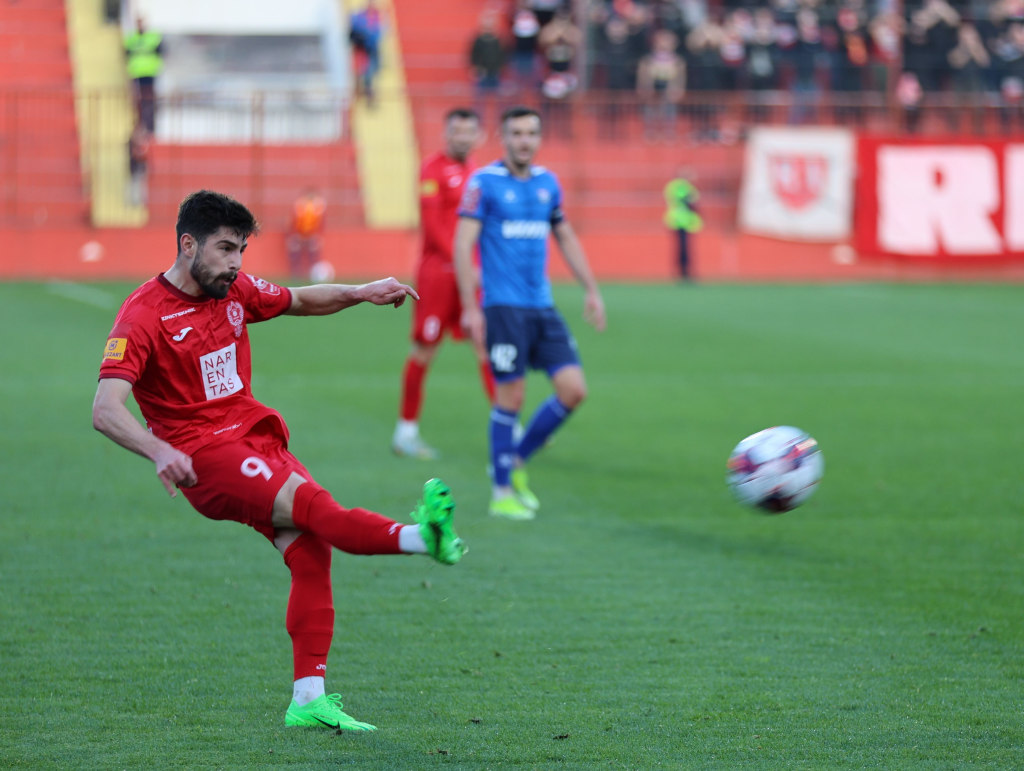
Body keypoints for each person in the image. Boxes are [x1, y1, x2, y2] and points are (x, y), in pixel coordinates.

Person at [92, 190, 466, 732]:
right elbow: (105, 409)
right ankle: (422, 538)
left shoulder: (233, 289)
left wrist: (360, 292)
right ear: (187, 243)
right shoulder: (144, 315)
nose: (236, 263)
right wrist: (158, 448)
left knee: (311, 551)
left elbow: (299, 299)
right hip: (204, 456)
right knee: (320, 511)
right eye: (225, 248)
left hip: (254, 439)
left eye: (241, 249)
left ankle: (307, 699)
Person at [453, 106, 606, 521]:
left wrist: (591, 290)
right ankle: (500, 491)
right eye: (517, 133)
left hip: (542, 306)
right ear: (503, 138)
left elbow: (566, 235)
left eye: (532, 133)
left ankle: (515, 460)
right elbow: (462, 245)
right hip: (503, 308)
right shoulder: (484, 183)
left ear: (539, 138)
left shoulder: (547, 184)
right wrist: (471, 309)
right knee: (511, 397)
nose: (525, 140)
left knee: (574, 390)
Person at [393, 108, 495, 460]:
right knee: (425, 349)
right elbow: (434, 228)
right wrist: (465, 264)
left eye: (470, 131)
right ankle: (405, 432)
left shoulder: (478, 174)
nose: (463, 137)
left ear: (479, 136)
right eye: (457, 131)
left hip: (468, 275)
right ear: (446, 133)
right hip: (438, 274)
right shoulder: (432, 169)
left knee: (484, 343)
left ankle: (509, 428)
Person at [124, 17, 163, 133]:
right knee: (138, 103)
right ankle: (140, 126)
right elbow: (126, 54)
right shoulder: (131, 38)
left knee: (150, 101)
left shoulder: (153, 37)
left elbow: (161, 53)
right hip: (136, 74)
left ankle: (151, 128)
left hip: (150, 74)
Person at [663, 169, 703, 282]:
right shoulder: (678, 187)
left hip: (686, 222)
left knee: (687, 248)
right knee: (682, 248)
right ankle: (682, 272)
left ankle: (686, 271)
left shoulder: (688, 187)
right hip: (678, 222)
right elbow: (686, 201)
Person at [286, 187, 326, 280]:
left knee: (313, 254)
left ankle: (313, 273)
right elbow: (293, 220)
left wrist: (318, 235)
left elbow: (320, 222)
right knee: (296, 253)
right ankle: (296, 274)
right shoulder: (299, 205)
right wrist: (292, 234)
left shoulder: (318, 206)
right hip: (298, 234)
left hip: (312, 234)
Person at [349, 0, 384, 106]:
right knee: (361, 72)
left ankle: (367, 95)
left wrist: (367, 35)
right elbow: (354, 30)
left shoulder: (377, 17)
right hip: (362, 49)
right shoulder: (359, 16)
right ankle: (360, 94)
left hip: (370, 49)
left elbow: (377, 34)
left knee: (369, 73)